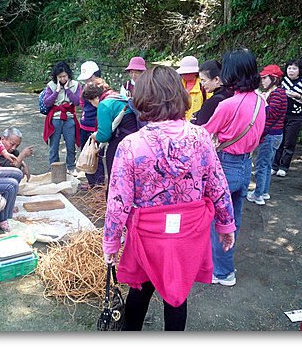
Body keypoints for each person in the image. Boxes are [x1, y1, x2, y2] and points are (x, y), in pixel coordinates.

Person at [102, 65, 235, 331]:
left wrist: (111, 242)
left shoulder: (131, 145)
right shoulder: (201, 137)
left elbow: (118, 200)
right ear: (179, 95)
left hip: (148, 235)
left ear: (143, 98)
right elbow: (217, 184)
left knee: (139, 289)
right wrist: (225, 224)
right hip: (187, 232)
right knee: (177, 294)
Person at [202, 48, 266, 286]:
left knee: (217, 222)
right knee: (233, 220)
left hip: (225, 166)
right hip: (245, 165)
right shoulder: (261, 102)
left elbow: (204, 134)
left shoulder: (228, 105)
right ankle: (224, 265)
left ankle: (223, 271)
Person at [246, 64, 287, 205]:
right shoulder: (280, 92)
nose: (262, 80)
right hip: (275, 135)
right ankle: (264, 191)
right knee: (267, 165)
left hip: (270, 135)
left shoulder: (277, 94)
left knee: (261, 165)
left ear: (274, 78)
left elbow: (270, 113)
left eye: (265, 78)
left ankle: (258, 195)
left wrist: (261, 101)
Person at [89, 79, 138, 185]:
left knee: (114, 171)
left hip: (121, 140)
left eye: (91, 102)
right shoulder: (118, 97)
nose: (93, 105)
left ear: (96, 98)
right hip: (135, 139)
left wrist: (95, 135)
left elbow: (104, 135)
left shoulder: (104, 105)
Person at [272, 58, 302, 177]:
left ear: (299, 70)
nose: (291, 71)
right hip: (281, 115)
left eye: (294, 68)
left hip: (296, 116)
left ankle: (284, 167)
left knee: (289, 142)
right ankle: (274, 165)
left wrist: (298, 96)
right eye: (289, 68)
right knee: (278, 141)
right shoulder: (281, 81)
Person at [42, 61, 81, 173]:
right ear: (56, 77)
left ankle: (71, 167)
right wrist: (57, 91)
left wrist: (68, 89)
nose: (63, 79)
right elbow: (47, 102)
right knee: (54, 145)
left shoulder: (76, 85)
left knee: (70, 144)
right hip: (55, 117)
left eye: (64, 76)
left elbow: (77, 101)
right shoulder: (51, 85)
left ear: (68, 75)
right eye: (60, 77)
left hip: (69, 117)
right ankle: (54, 167)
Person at [77, 66, 108, 188]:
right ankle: (91, 183)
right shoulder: (85, 89)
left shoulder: (101, 91)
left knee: (97, 156)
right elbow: (81, 104)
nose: (87, 82)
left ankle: (99, 184)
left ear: (96, 75)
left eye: (89, 78)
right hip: (84, 126)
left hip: (95, 128)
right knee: (86, 155)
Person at [194, 59, 233, 126]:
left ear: (216, 79)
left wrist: (192, 121)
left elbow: (200, 128)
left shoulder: (213, 102)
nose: (202, 85)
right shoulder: (233, 93)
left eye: (204, 80)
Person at [176, 55, 206, 121]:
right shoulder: (178, 85)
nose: (184, 75)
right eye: (183, 73)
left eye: (188, 73)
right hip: (181, 124)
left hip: (197, 123)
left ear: (195, 73)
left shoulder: (204, 86)